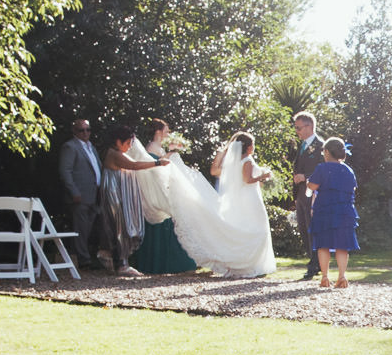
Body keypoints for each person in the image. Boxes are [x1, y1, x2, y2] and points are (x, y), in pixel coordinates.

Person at [132, 131, 277, 278]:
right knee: (259, 228)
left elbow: (216, 172)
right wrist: (263, 176)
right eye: (252, 144)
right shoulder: (247, 161)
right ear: (248, 147)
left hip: (245, 199)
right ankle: (252, 264)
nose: (253, 147)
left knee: (252, 227)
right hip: (251, 199)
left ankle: (250, 263)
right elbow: (247, 180)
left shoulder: (236, 163)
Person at [101, 124, 170, 277]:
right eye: (127, 143)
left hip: (115, 190)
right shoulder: (115, 154)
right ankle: (121, 264)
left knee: (120, 225)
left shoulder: (114, 152)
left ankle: (117, 260)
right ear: (118, 142)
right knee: (119, 225)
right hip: (114, 193)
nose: (129, 147)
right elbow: (133, 165)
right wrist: (158, 163)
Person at [130, 118, 197, 274]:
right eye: (166, 131)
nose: (168, 134)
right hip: (156, 194)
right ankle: (168, 264)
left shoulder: (158, 147)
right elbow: (155, 170)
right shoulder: (152, 147)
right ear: (158, 132)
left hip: (163, 190)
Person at [306, 138, 359, 289]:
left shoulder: (322, 168)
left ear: (327, 152)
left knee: (323, 245)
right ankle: (342, 276)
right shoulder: (349, 170)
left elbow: (312, 186)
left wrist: (308, 183)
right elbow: (353, 189)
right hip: (344, 211)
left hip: (325, 210)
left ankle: (324, 277)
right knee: (343, 245)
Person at [58, 118, 104, 268]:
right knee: (81, 228)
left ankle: (87, 257)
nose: (85, 133)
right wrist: (73, 191)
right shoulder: (70, 147)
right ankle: (84, 260)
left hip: (94, 194)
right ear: (74, 131)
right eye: (81, 130)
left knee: (89, 228)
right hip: (80, 195)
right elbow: (65, 171)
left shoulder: (91, 147)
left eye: (88, 130)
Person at [291, 111, 325, 278]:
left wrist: (305, 177)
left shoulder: (321, 146)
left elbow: (324, 169)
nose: (296, 131)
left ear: (309, 126)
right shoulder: (302, 146)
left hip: (313, 194)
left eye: (298, 128)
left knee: (312, 228)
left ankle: (315, 264)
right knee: (304, 229)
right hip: (301, 194)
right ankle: (313, 260)